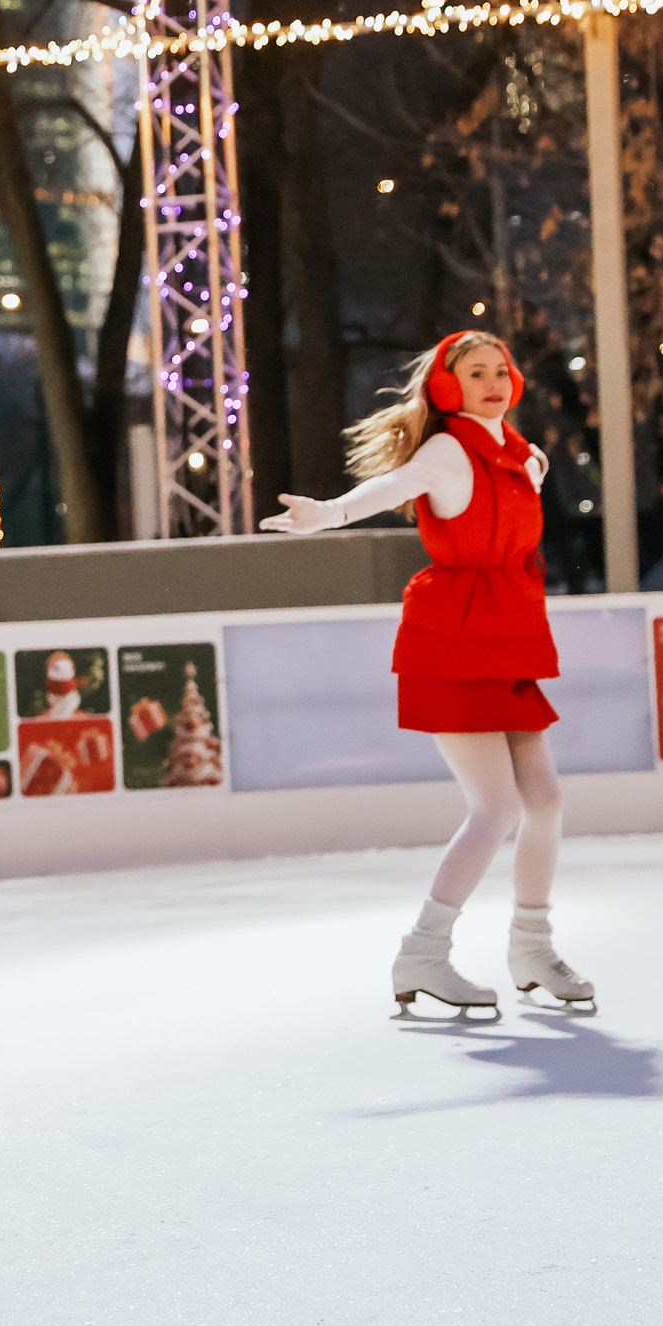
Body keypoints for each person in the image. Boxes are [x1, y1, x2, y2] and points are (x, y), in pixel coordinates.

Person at [262, 330, 595, 1018]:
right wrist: (324, 515)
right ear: (449, 388)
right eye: (477, 373)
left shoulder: (520, 456)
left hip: (507, 636)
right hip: (451, 640)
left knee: (546, 802)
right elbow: (390, 487)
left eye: (500, 370)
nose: (494, 382)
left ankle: (532, 945)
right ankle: (423, 953)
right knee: (497, 808)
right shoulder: (448, 451)